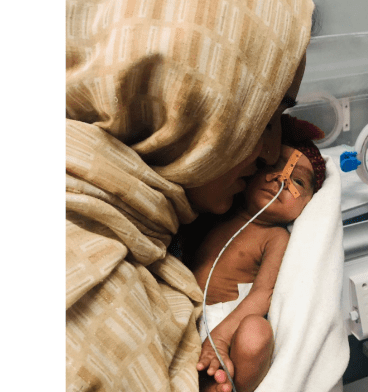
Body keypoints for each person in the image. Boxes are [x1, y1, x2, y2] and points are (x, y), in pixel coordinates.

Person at [65, 1, 315, 391]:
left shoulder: (141, 218)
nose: (270, 154)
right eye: (262, 121)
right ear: (181, 104)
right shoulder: (90, 305)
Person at [188, 116, 326, 392]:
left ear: (309, 205)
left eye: (297, 180)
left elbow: (263, 294)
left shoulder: (275, 236)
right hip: (189, 314)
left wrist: (222, 338)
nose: (281, 180)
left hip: (231, 322)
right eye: (274, 167)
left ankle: (230, 384)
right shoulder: (218, 210)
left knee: (256, 332)